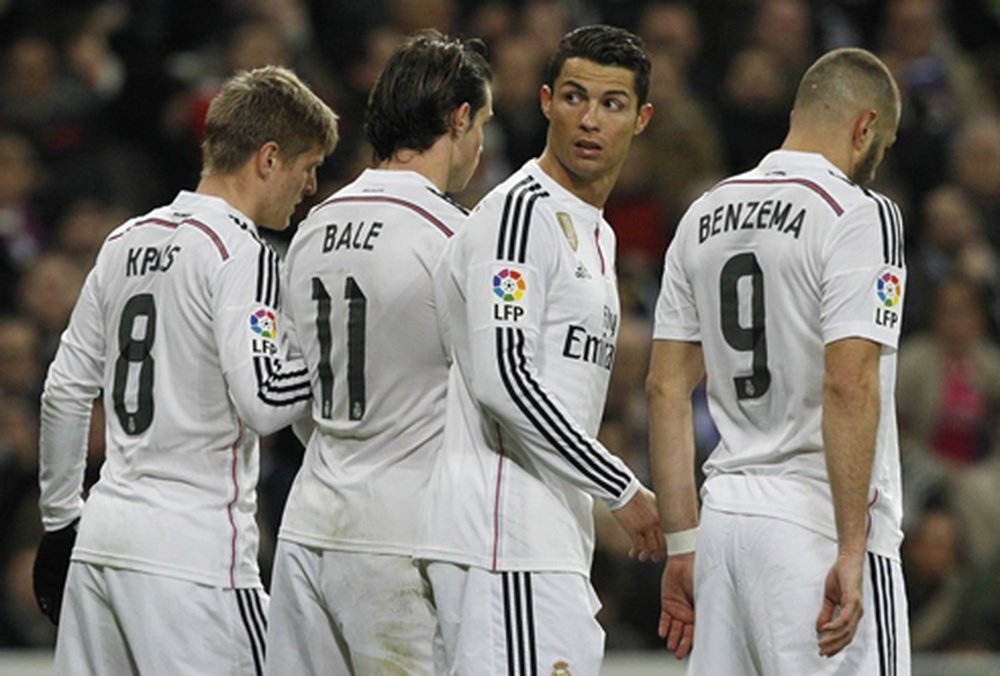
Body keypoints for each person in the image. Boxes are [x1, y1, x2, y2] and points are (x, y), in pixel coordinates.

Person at [33, 65, 338, 675]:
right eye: (307, 170)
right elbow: (264, 400)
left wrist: (61, 520)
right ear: (268, 158)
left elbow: (64, 391)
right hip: (194, 561)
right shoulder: (240, 252)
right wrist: (324, 353)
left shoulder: (124, 241)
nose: (307, 190)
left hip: (102, 544)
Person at [647, 47, 911, 674]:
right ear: (864, 127)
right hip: (818, 523)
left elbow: (663, 389)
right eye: (881, 145)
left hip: (725, 524)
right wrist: (853, 546)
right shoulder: (860, 213)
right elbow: (849, 383)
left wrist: (683, 546)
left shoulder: (703, 212)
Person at [416, 25, 663, 675]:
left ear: (640, 120)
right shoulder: (520, 214)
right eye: (576, 97)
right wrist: (620, 486)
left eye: (611, 105)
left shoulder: (597, 236)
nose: (590, 119)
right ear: (548, 101)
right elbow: (504, 377)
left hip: (542, 535)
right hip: (502, 536)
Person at [264, 31, 492, 675]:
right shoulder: (456, 237)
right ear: (459, 118)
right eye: (483, 124)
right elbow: (495, 390)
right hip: (404, 533)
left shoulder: (313, 226)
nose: (480, 145)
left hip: (309, 525)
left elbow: (296, 391)